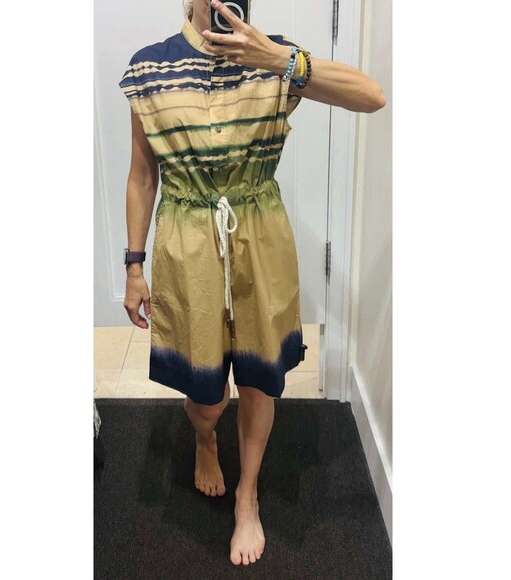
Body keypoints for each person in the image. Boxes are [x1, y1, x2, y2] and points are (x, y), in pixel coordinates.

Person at [119, 0, 385, 567]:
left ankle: (248, 496)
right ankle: (205, 438)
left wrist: (278, 59)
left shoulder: (275, 57)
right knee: (207, 397)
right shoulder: (149, 69)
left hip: (261, 240)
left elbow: (371, 96)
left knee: (261, 381)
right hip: (188, 244)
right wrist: (134, 266)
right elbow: (142, 176)